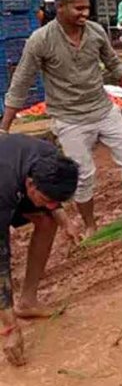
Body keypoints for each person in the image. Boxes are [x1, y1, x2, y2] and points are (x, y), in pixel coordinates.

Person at [1, 0, 122, 237]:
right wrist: (4, 127)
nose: (85, 13)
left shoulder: (96, 32)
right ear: (60, 7)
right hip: (69, 119)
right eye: (79, 8)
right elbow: (21, 81)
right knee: (82, 177)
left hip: (104, 110)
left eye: (87, 8)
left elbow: (114, 64)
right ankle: (90, 224)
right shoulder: (41, 40)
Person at [0, 134, 80, 366]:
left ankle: (27, 302)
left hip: (13, 176)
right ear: (30, 184)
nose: (50, 205)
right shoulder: (4, 187)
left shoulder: (51, 159)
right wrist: (10, 329)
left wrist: (65, 221)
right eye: (46, 199)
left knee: (47, 220)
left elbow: (51, 200)